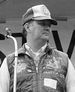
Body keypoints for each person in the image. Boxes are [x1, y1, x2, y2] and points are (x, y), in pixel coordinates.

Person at [0, 4, 75, 92]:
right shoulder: (10, 61)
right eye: (42, 23)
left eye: (49, 25)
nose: (47, 27)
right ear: (27, 27)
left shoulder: (64, 60)